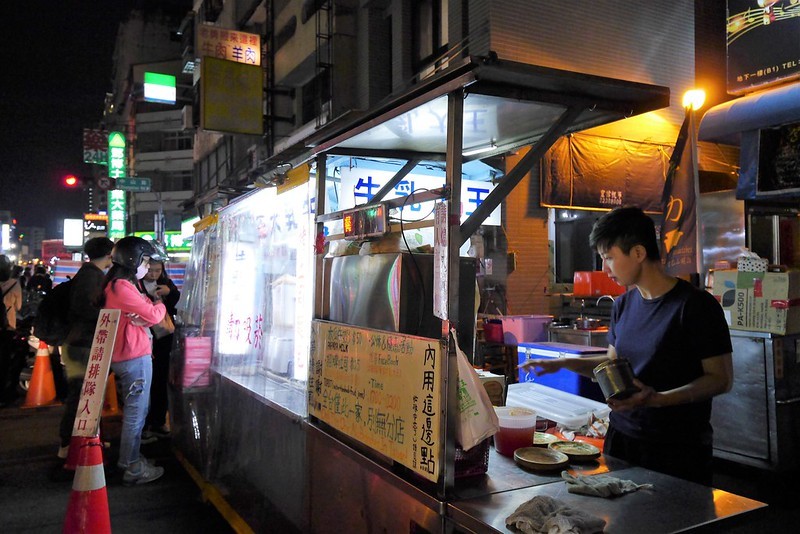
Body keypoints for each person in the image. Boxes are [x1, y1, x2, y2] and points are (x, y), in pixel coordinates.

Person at [520, 206, 733, 485]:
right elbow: (611, 366)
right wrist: (562, 364)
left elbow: (720, 379)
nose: (604, 269)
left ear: (638, 253)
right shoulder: (623, 305)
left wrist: (659, 399)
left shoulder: (694, 306)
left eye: (609, 258)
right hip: (622, 439)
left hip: (677, 447)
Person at [101, 236, 166, 485]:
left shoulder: (122, 285)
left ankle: (132, 458)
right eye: (145, 261)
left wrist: (147, 313)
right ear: (133, 260)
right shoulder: (122, 287)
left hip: (130, 355)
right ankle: (131, 466)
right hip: (133, 357)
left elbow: (145, 313)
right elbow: (153, 314)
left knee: (138, 410)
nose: (147, 266)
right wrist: (159, 304)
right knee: (136, 413)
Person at [57, 237, 114, 459]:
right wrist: (110, 315)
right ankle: (68, 444)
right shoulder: (91, 277)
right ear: (109, 254)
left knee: (88, 394)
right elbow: (86, 310)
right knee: (81, 395)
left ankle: (89, 439)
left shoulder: (90, 273)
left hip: (81, 342)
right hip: (82, 344)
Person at [140, 258, 180, 442]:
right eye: (151, 270)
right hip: (144, 340)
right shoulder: (136, 284)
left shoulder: (166, 284)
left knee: (161, 380)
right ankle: (144, 425)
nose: (154, 274)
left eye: (158, 270)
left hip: (164, 340)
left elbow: (177, 303)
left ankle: (158, 421)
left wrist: (169, 293)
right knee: (144, 383)